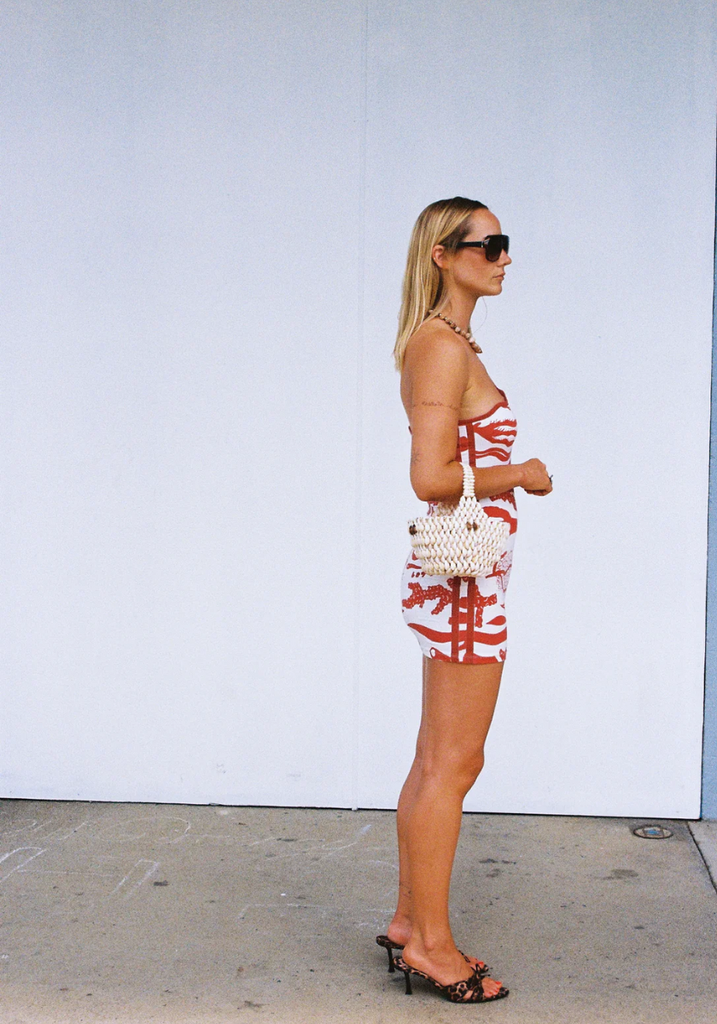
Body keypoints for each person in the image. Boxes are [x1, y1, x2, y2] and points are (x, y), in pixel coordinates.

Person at [376, 197, 552, 1004]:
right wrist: (522, 474)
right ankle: (434, 947)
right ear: (443, 255)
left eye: (505, 244)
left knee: (435, 761)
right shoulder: (440, 348)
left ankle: (411, 922)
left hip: (465, 582)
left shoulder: (446, 341)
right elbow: (430, 479)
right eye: (491, 245)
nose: (505, 257)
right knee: (454, 763)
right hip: (465, 588)